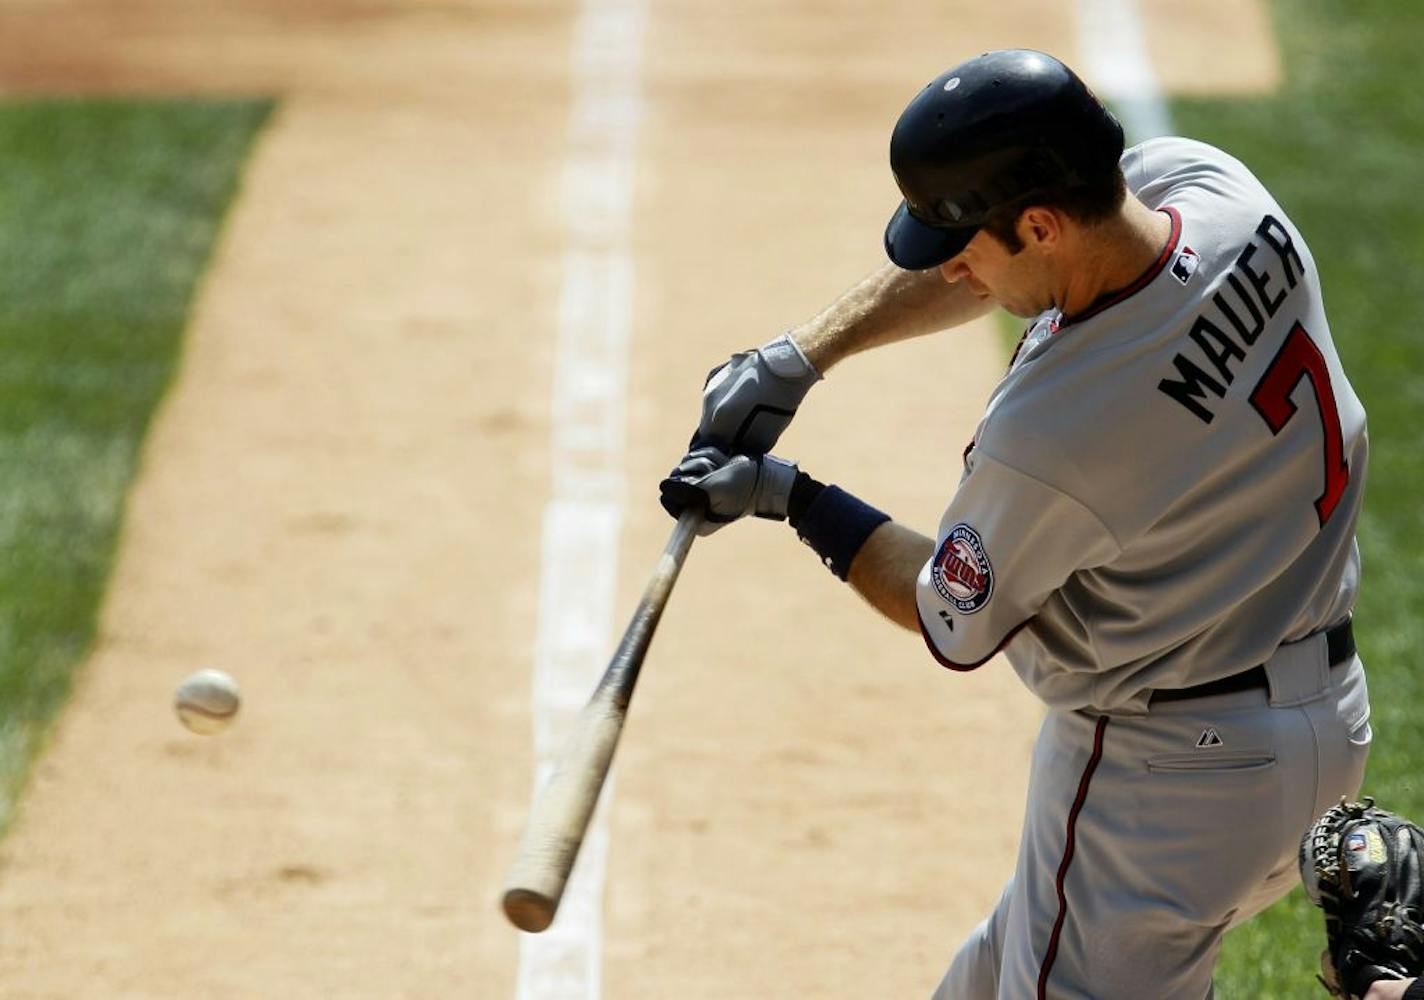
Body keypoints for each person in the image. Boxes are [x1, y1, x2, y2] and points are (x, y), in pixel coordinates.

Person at [659, 49, 1374, 998]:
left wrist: (789, 495)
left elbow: (946, 614)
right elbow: (1000, 266)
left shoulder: (1053, 433)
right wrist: (803, 355)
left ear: (1039, 222)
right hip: (1324, 728)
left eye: (963, 242)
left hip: (1165, 785)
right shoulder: (1220, 197)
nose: (952, 266)